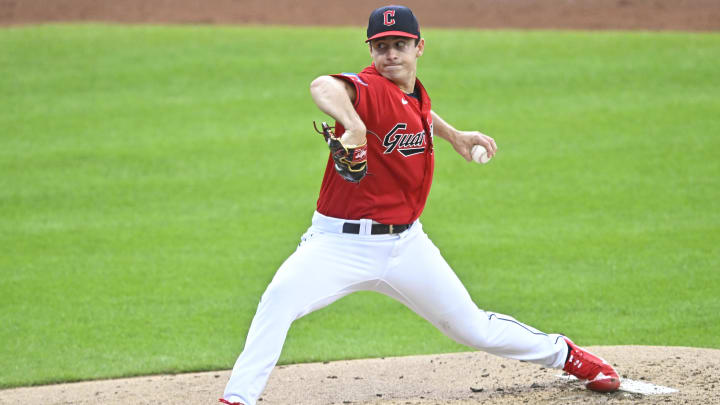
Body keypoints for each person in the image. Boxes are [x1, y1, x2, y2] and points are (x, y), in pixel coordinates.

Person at [219, 5, 620, 405]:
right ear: (371, 51)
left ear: (419, 47)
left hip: (406, 247)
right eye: (381, 47)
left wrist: (453, 135)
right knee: (278, 300)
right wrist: (354, 126)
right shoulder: (368, 88)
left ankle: (568, 355)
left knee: (473, 328)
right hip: (338, 245)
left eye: (399, 45)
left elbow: (417, 113)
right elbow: (322, 86)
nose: (390, 54)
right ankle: (238, 398)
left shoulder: (413, 93)